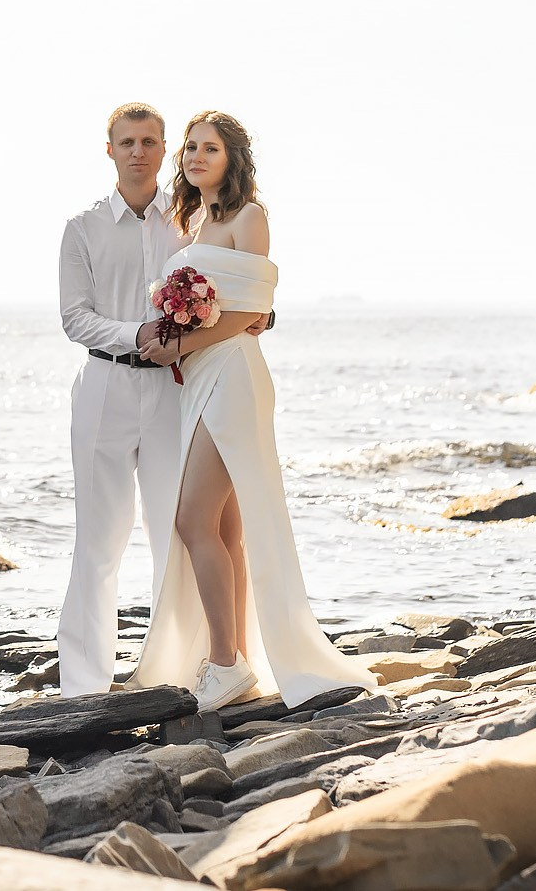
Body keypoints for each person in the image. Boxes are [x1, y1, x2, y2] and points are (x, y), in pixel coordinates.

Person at [128, 111, 377, 711]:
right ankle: (234, 659)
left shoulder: (249, 217)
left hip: (233, 374)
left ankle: (224, 664)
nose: (194, 156)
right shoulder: (196, 223)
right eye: (189, 148)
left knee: (192, 521)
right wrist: (165, 337)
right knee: (227, 529)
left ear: (232, 158)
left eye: (208, 148)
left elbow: (252, 315)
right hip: (200, 378)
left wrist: (180, 343)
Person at [53, 103, 197, 696]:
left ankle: (179, 670)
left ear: (164, 151)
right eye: (127, 141)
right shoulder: (82, 228)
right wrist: (132, 334)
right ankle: (84, 683)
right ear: (108, 149)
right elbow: (74, 318)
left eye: (149, 141)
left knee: (175, 531)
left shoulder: (191, 223)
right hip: (105, 387)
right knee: (99, 539)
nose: (138, 151)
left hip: (173, 389)